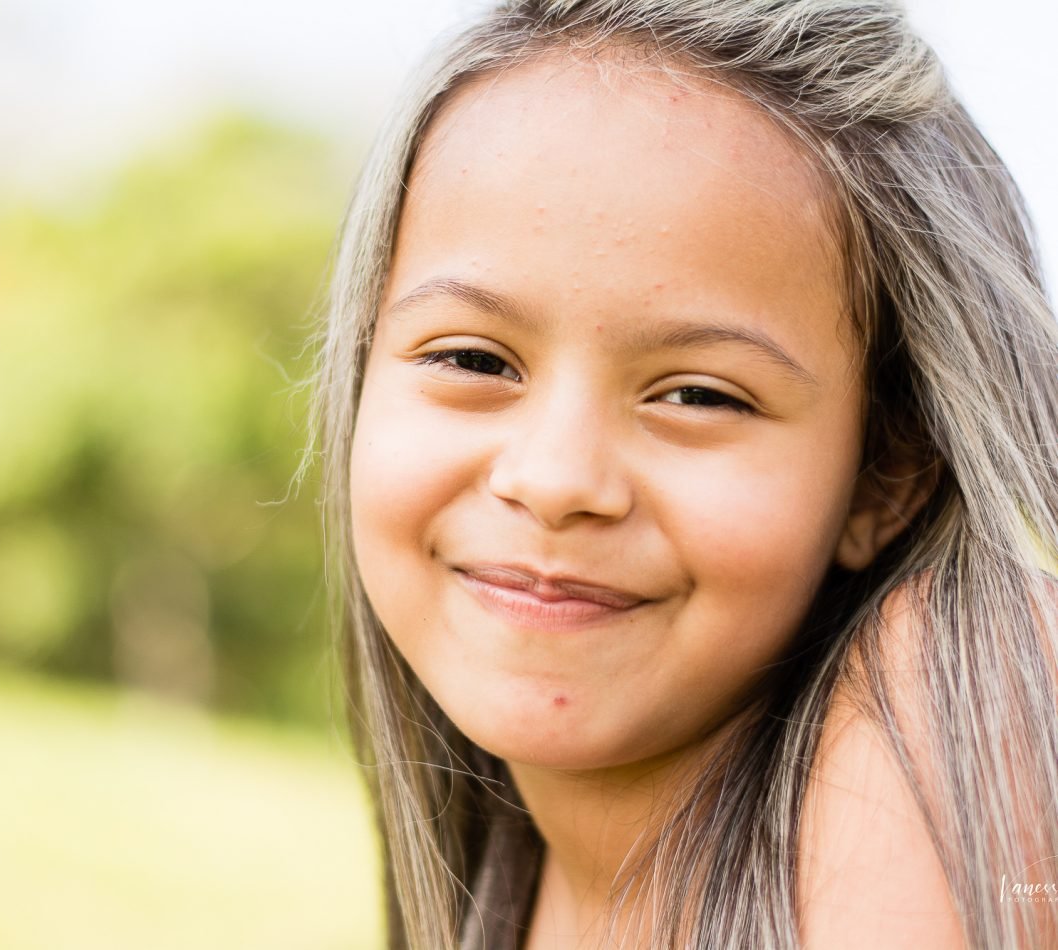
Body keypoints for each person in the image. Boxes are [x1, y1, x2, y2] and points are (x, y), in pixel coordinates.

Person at [312, 1, 1058, 946]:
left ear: (886, 478)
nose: (554, 479)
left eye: (700, 395)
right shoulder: (503, 888)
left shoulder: (965, 689)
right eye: (475, 360)